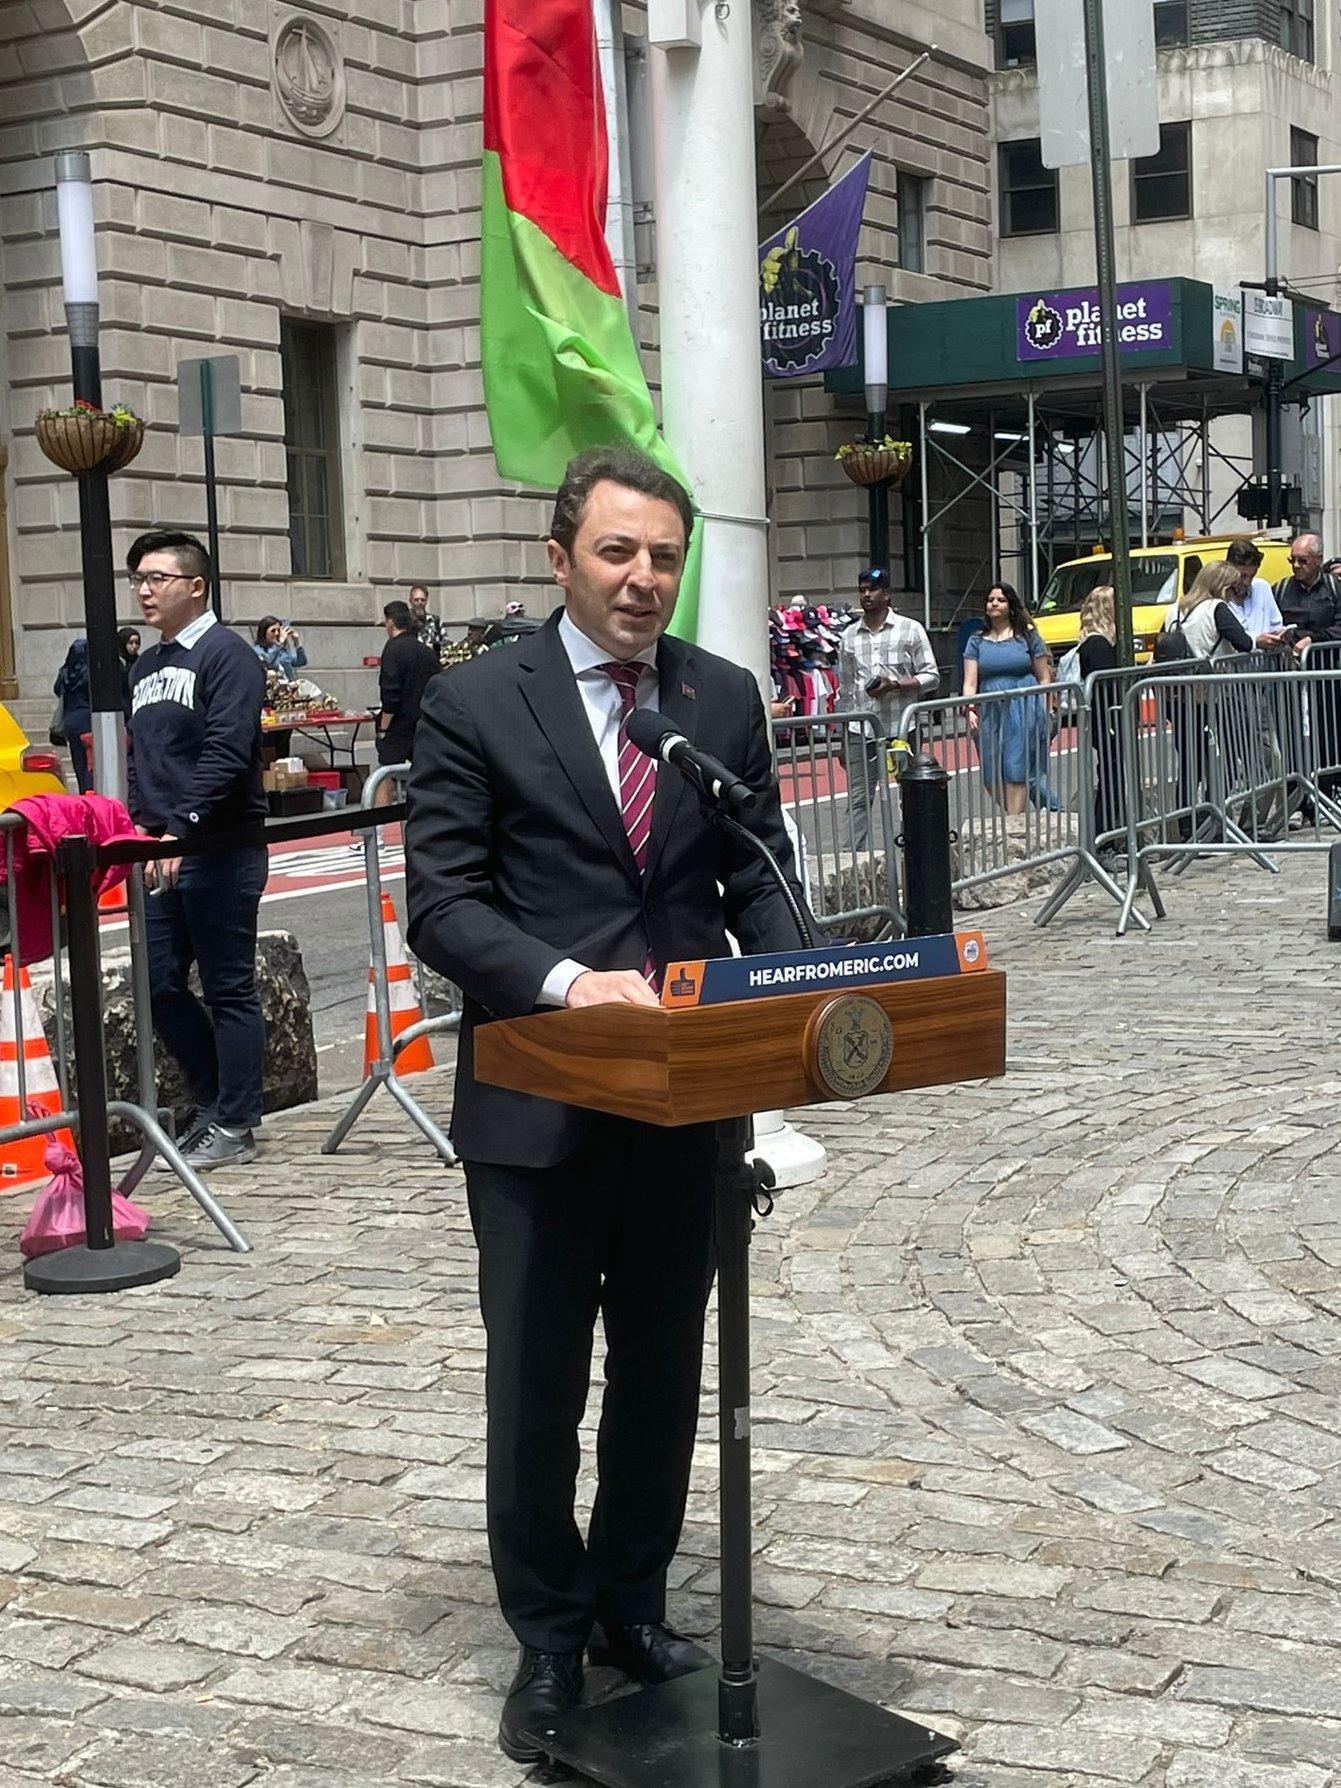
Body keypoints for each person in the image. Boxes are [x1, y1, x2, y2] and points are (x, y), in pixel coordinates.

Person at [404, 445, 810, 1766]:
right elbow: (443, 904)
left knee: (661, 1368)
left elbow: (753, 870)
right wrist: (571, 985)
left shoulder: (718, 697)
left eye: (664, 557)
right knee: (536, 1382)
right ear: (560, 557)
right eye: (618, 551)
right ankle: (547, 1635)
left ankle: (633, 1606)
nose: (643, 578)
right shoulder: (475, 701)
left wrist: (801, 987)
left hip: (687, 1106)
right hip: (541, 1104)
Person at [125, 529, 267, 1170]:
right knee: (157, 983)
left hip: (220, 846)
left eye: (157, 578)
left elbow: (227, 750)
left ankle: (235, 1121)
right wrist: (141, 826)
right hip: (159, 849)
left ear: (196, 585)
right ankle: (212, 1099)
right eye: (138, 579)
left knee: (227, 985)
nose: (144, 590)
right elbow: (143, 756)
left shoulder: (227, 656)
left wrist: (184, 825)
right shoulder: (144, 667)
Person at [835, 568, 939, 851]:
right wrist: (843, 737)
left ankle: (916, 852)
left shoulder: (910, 629)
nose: (867, 595)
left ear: (887, 594)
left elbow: (932, 676)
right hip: (861, 730)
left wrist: (896, 685)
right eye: (862, 589)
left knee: (910, 792)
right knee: (859, 797)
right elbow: (846, 691)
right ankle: (853, 858)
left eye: (873, 589)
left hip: (902, 727)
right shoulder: (849, 636)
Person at [961, 582, 1054, 816]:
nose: (994, 603)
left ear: (1010, 606)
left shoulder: (1028, 636)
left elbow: (1044, 676)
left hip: (1024, 706)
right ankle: (1018, 818)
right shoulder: (976, 640)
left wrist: (1045, 709)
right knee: (991, 775)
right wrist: (969, 708)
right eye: (990, 599)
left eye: (1000, 600)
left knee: (1016, 768)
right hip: (990, 708)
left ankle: (1014, 825)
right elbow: (970, 682)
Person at [374, 600, 439, 808]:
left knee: (384, 775)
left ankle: (380, 825)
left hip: (399, 723)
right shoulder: (427, 651)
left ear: (391, 622)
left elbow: (390, 695)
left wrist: (383, 728)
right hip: (425, 720)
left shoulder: (393, 649)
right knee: (428, 777)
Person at [1073, 586, 1121, 854]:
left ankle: (1110, 836)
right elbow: (1107, 685)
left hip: (1106, 718)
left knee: (1112, 776)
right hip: (1107, 720)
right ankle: (1105, 839)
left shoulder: (1095, 642)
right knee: (1110, 779)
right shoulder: (1098, 644)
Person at [1224, 539, 1284, 649]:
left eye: (1252, 576)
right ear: (1229, 569)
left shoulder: (1262, 587)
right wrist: (1255, 641)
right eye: (1242, 576)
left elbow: (1276, 625)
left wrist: (1280, 635)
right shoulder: (1218, 597)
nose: (1247, 582)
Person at [53, 637, 92, 793]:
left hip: (70, 720)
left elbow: (57, 689)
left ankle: (83, 790)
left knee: (78, 760)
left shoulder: (65, 671)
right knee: (90, 761)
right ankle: (89, 790)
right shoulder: (88, 671)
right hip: (86, 719)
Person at [253, 615, 308, 680]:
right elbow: (268, 662)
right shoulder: (258, 650)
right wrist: (280, 643)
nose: (276, 633)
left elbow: (302, 661)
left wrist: (297, 643)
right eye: (273, 631)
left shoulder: (282, 651)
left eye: (278, 630)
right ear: (264, 632)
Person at [407, 584, 444, 656]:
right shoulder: (405, 621)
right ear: (410, 601)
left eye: (422, 600)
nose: (420, 603)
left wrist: (434, 646)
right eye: (416, 600)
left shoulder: (435, 620)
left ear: (427, 601)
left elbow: (444, 641)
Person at [117, 625, 141, 720]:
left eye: (137, 643)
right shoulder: (117, 662)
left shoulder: (140, 661)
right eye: (130, 643)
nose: (134, 647)